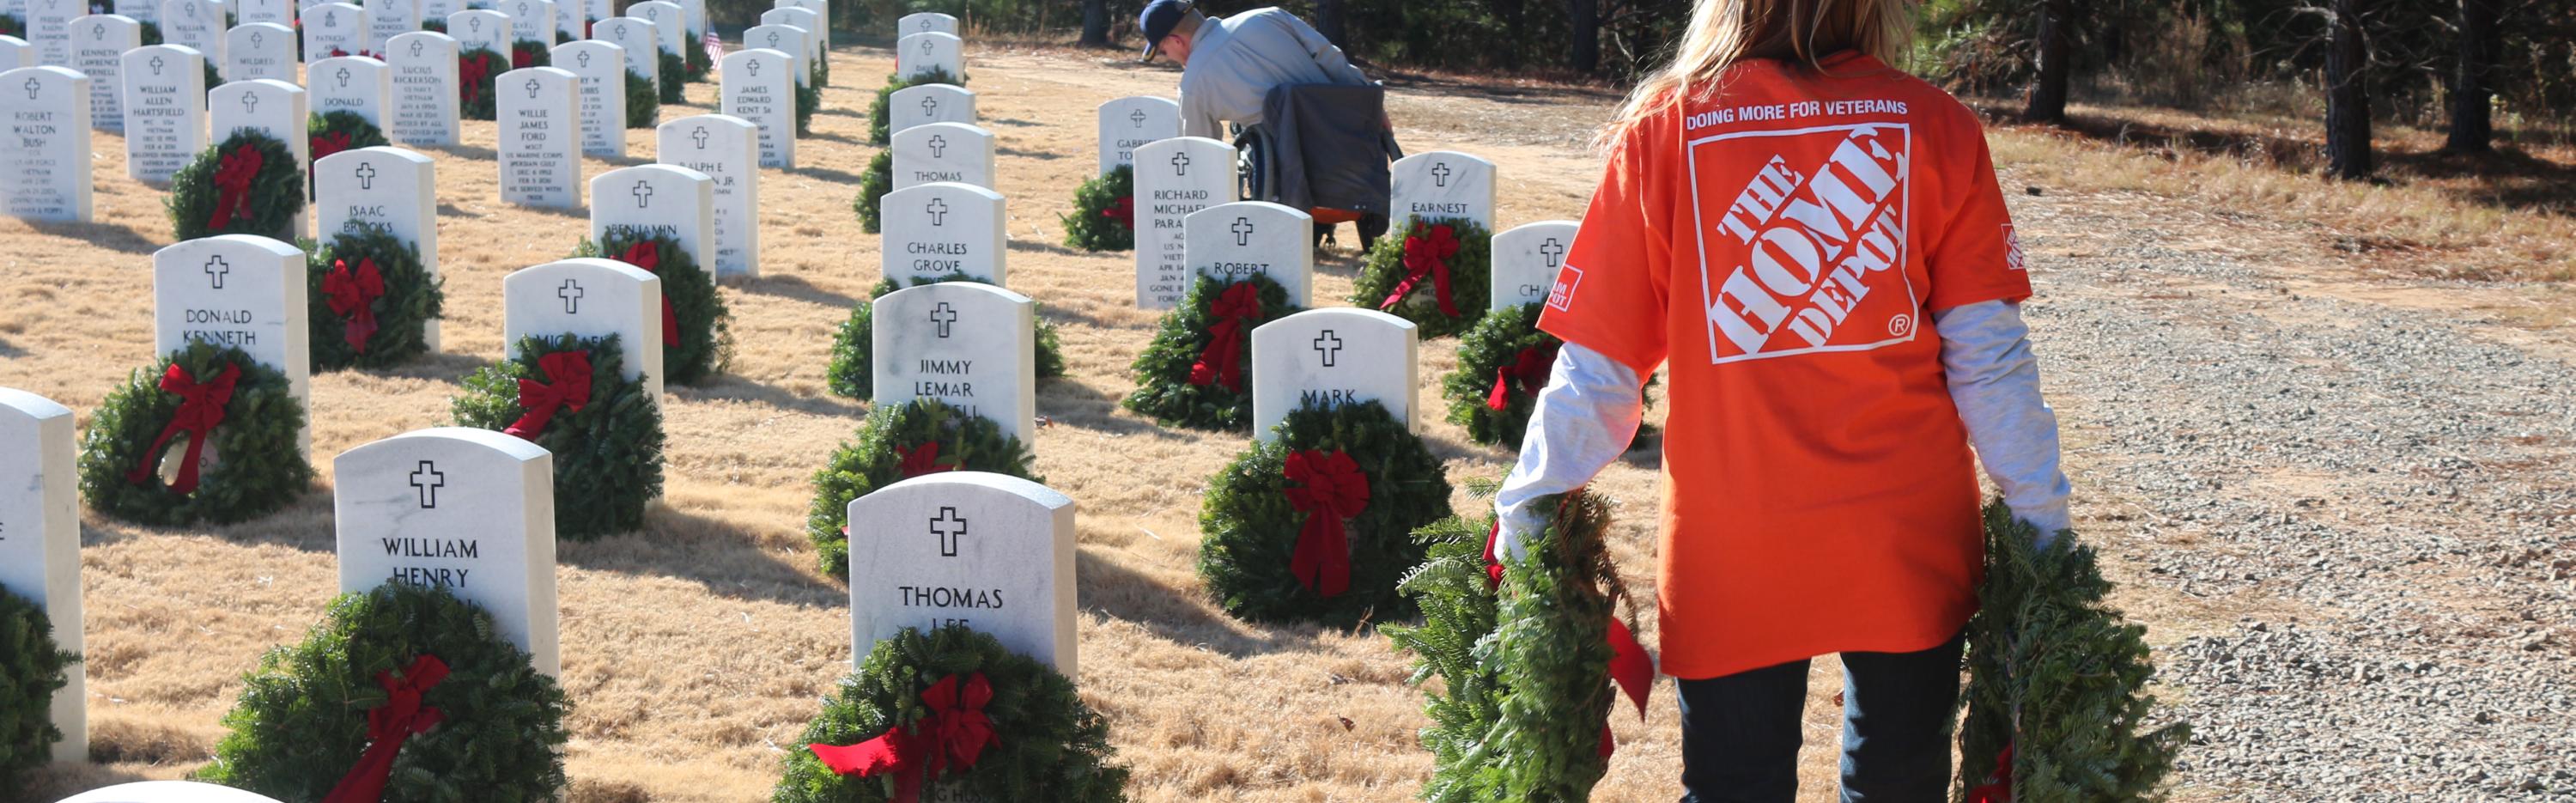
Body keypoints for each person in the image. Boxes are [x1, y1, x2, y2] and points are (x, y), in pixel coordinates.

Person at [1489, 0, 2074, 801]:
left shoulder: (1668, 128)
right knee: (1898, 786)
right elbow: (1990, 362)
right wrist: (2042, 518)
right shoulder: (1938, 125)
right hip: (1905, 540)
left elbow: (1600, 375)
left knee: (1733, 788)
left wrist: (1527, 505)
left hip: (1733, 545)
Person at [1137, 0, 1373, 140]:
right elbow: (1329, 57)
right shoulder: (1270, 16)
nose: (1170, 58)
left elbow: (1202, 154)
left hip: (1290, 176)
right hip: (1346, 141)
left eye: (1164, 51)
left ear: (1176, 41)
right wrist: (1370, 104)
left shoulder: (1192, 86)